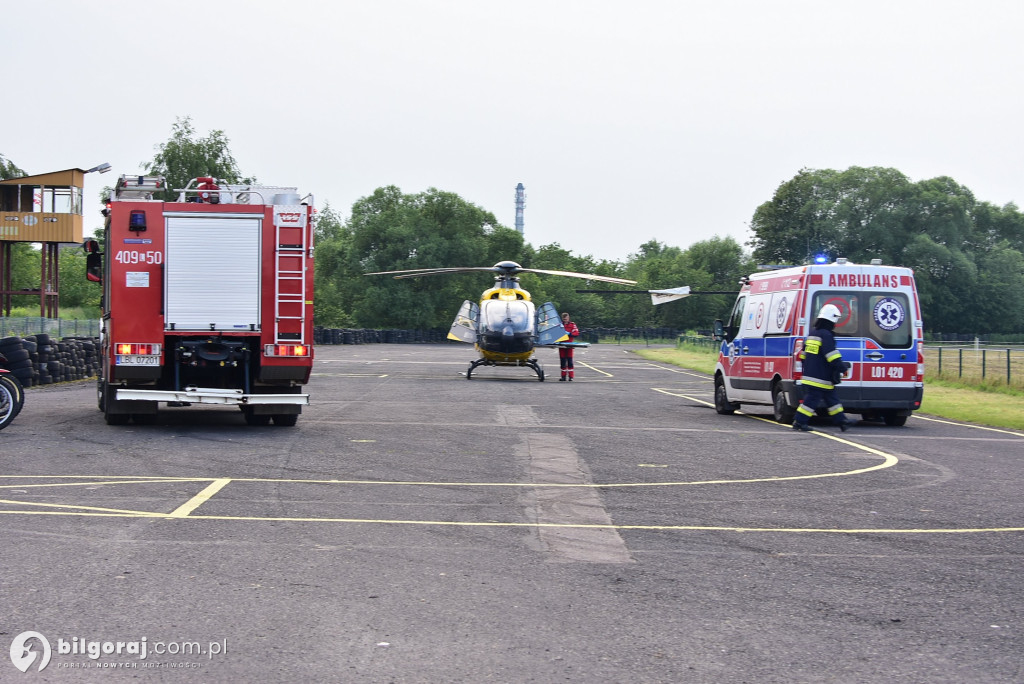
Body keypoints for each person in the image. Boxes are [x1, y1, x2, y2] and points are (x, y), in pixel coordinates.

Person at [792, 304, 856, 432]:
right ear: (831, 320)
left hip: (813, 375)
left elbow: (804, 355)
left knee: (832, 400)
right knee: (811, 401)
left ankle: (842, 421)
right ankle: (799, 421)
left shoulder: (813, 334)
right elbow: (831, 355)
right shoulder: (826, 335)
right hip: (820, 377)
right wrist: (843, 368)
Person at [559, 311, 580, 381]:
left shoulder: (572, 325)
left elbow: (576, 333)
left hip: (569, 344)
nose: (565, 320)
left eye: (566, 319)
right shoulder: (560, 325)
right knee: (562, 361)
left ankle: (571, 376)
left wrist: (569, 334)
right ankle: (563, 376)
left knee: (570, 360)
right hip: (561, 344)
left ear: (568, 318)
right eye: (564, 319)